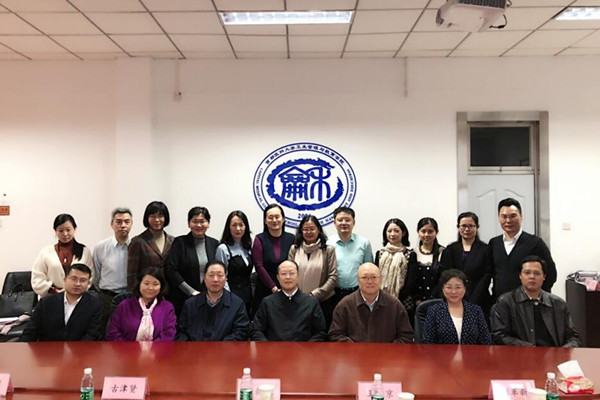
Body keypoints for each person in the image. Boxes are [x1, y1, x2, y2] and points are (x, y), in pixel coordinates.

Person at [490, 255, 581, 347]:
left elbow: (573, 338)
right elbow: (499, 336)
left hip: (554, 353)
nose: (532, 276)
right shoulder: (506, 302)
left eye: (537, 273)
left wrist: (562, 351)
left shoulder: (558, 304)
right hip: (522, 354)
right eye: (527, 273)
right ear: (520, 275)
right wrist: (531, 349)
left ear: (544, 277)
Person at [485, 198, 557, 299]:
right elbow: (488, 273)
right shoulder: (494, 243)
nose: (508, 221)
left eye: (513, 216)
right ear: (499, 218)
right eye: (504, 217)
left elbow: (551, 274)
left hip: (528, 303)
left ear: (521, 217)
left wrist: (536, 297)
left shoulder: (535, 243)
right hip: (500, 302)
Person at [329, 263, 414, 343]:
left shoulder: (394, 305)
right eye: (364, 277)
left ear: (380, 279)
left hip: (387, 353)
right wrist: (355, 349)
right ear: (358, 280)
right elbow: (336, 334)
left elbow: (406, 336)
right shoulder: (345, 305)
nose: (370, 281)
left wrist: (388, 350)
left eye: (374, 277)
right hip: (354, 353)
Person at [20, 264, 103, 341]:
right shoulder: (46, 302)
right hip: (48, 349)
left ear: (88, 283)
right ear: (65, 280)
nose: (78, 284)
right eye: (74, 279)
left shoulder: (95, 305)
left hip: (79, 350)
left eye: (83, 280)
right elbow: (31, 330)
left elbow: (92, 334)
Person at [251, 260, 327, 342]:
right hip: (273, 349)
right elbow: (257, 330)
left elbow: (320, 332)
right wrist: (269, 347)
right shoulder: (267, 302)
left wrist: (306, 347)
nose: (288, 277)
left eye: (291, 273)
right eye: (284, 274)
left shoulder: (311, 302)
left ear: (298, 275)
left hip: (304, 349)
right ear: (278, 277)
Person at [165, 206, 219, 315]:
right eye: (195, 221)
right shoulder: (180, 242)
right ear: (189, 224)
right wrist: (191, 291)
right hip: (183, 298)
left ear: (208, 223)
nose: (199, 225)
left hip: (208, 299)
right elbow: (171, 270)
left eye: (202, 221)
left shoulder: (214, 243)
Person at [177, 261, 248, 341]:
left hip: (225, 348)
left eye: (220, 275)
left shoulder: (237, 304)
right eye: (211, 275)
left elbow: (240, 332)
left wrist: (220, 346)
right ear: (204, 278)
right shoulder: (190, 304)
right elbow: (181, 333)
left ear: (226, 278)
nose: (215, 279)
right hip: (195, 348)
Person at [288, 215, 338, 329]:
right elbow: (289, 273)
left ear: (318, 230)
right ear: (301, 231)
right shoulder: (294, 249)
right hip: (297, 301)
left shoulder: (328, 250)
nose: (309, 232)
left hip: (323, 301)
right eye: (305, 229)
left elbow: (333, 277)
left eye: (312, 229)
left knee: (321, 335)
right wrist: (299, 296)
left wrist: (314, 295)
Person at [106, 267, 176, 342]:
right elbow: (113, 333)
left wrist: (151, 348)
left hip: (158, 349)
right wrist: (129, 347)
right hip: (125, 348)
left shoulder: (167, 307)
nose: (150, 288)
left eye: (155, 284)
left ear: (161, 287)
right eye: (146, 283)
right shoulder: (124, 305)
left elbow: (169, 334)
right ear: (139, 284)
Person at [31, 214, 94, 297]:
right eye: (60, 231)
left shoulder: (84, 251)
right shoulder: (46, 252)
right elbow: (37, 278)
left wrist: (73, 292)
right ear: (55, 231)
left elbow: (90, 276)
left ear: (74, 229)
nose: (65, 234)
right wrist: (53, 290)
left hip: (77, 298)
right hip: (51, 297)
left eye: (68, 230)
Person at [423, 269, 491, 345]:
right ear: (442, 289)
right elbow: (428, 343)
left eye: (458, 287)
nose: (453, 292)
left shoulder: (475, 311)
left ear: (464, 288)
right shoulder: (434, 311)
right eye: (449, 287)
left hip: (471, 352)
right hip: (442, 352)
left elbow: (486, 342)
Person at [93, 207, 133, 329]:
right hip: (107, 298)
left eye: (127, 222)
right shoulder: (100, 247)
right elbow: (96, 274)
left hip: (130, 297)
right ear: (112, 224)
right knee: (104, 331)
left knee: (128, 331)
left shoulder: (136, 246)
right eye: (118, 222)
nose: (123, 225)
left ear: (131, 224)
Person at [440, 212, 490, 310]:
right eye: (463, 226)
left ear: (477, 227)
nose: (467, 229)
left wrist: (475, 298)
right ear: (458, 227)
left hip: (479, 298)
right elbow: (445, 274)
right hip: (454, 297)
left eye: (471, 226)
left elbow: (487, 275)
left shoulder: (485, 249)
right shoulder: (450, 249)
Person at [252, 204, 295, 315]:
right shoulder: (259, 239)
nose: (274, 220)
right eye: (270, 217)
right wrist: (274, 288)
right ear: (265, 221)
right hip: (264, 289)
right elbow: (259, 266)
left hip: (288, 290)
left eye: (277, 217)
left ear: (283, 219)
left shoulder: (292, 238)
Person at [327, 207, 373, 309]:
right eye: (340, 220)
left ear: (354, 222)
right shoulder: (327, 243)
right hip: (333, 293)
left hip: (358, 293)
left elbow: (369, 270)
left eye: (347, 220)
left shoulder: (364, 243)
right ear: (334, 223)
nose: (344, 223)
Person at [404, 217, 445, 323]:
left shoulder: (443, 252)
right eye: (423, 231)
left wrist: (433, 298)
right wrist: (417, 299)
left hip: (438, 301)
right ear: (418, 232)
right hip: (416, 303)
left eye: (430, 231)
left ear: (436, 232)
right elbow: (411, 279)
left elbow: (444, 279)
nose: (426, 235)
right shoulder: (413, 253)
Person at [127, 201, 174, 290]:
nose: (157, 220)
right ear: (147, 218)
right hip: (147, 291)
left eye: (160, 216)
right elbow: (132, 274)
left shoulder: (173, 241)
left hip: (169, 292)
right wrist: (135, 294)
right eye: (153, 216)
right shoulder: (138, 241)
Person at [215, 210, 253, 314]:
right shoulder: (223, 248)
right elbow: (221, 276)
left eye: (241, 225)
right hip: (231, 297)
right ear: (228, 227)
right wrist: (229, 298)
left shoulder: (248, 247)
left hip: (248, 296)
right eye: (234, 225)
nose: (238, 229)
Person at [374, 218, 414, 313]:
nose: (392, 234)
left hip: (403, 301)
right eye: (389, 231)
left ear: (403, 233)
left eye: (396, 231)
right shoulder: (380, 254)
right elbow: (376, 277)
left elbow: (410, 281)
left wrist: (396, 298)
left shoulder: (410, 254)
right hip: (381, 300)